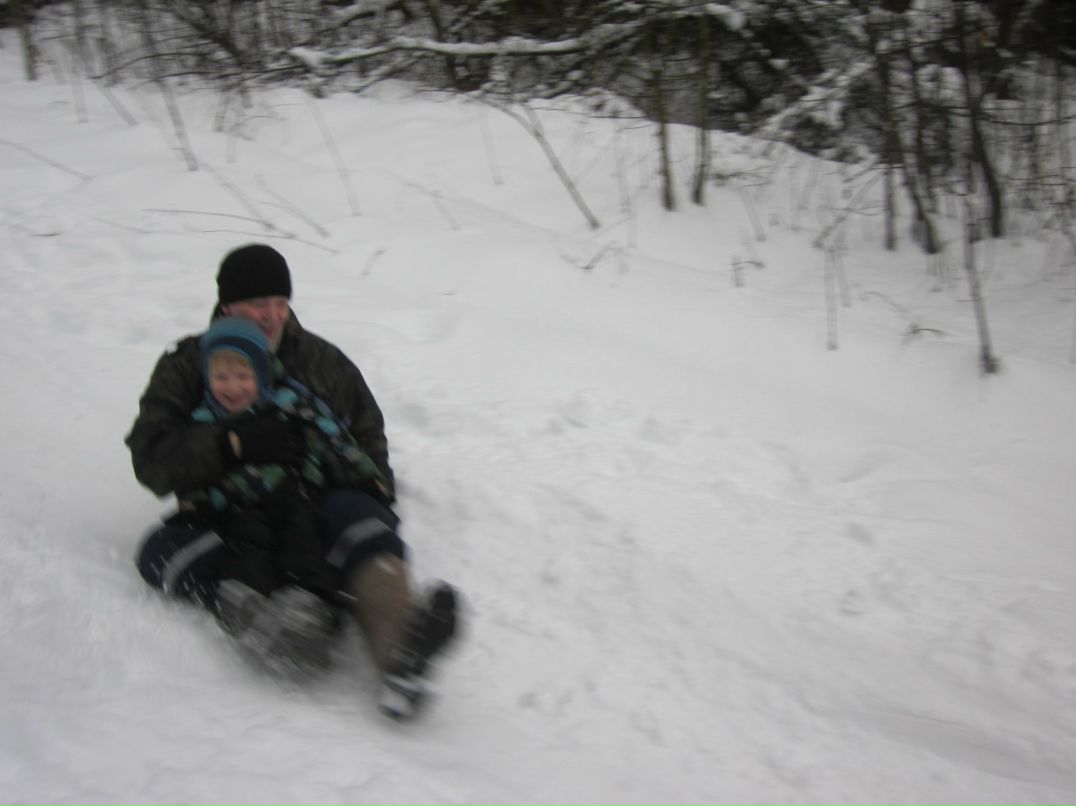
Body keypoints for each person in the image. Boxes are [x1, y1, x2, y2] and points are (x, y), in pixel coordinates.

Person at [128, 243, 458, 719]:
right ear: (227, 306)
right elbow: (150, 459)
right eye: (257, 303)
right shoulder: (188, 364)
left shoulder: (322, 362)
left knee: (361, 520)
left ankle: (399, 654)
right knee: (159, 551)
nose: (271, 315)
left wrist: (367, 485)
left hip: (309, 505)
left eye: (280, 303)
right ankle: (257, 612)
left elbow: (368, 436)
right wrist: (231, 445)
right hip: (223, 508)